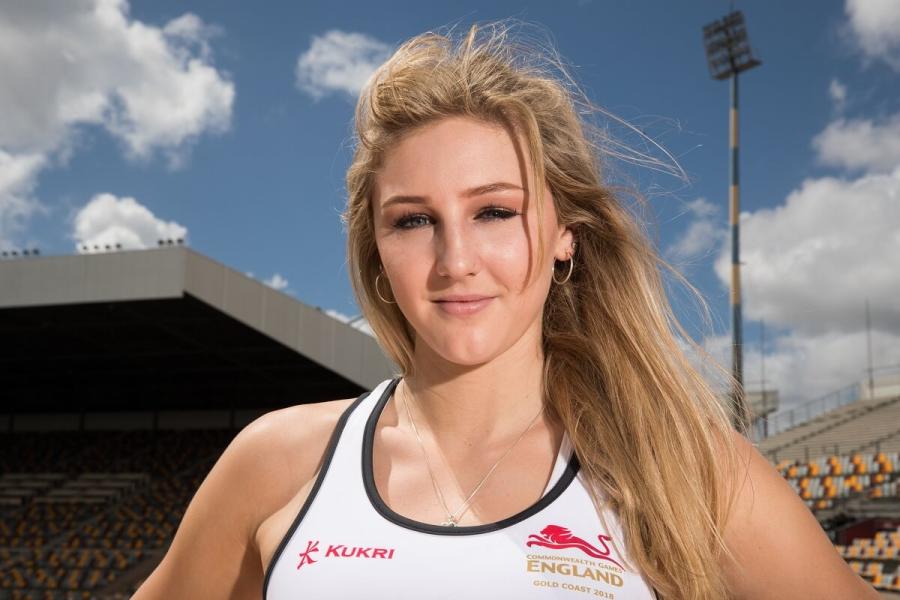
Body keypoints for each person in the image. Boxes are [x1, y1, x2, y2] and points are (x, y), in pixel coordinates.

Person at [133, 22, 878, 600]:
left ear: (563, 235)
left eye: (494, 211)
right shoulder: (278, 461)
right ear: (377, 254)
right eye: (413, 221)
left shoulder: (685, 471)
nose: (456, 259)